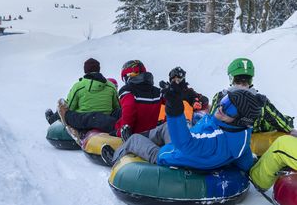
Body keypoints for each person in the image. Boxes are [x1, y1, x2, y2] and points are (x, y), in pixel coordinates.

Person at [101, 88, 266, 171]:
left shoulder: (215, 139)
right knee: (165, 128)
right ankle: (146, 139)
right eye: (225, 100)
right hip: (192, 150)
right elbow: (243, 158)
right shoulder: (242, 133)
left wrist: (174, 109)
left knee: (135, 139)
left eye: (230, 108)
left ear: (241, 119)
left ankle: (115, 157)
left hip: (172, 156)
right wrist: (248, 165)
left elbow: (185, 143)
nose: (222, 107)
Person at [58, 60, 163, 140]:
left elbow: (128, 113)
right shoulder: (158, 92)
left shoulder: (79, 86)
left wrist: (119, 131)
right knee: (110, 114)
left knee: (87, 116)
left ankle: (65, 116)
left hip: (126, 131)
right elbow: (118, 107)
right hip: (147, 131)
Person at [209, 58, 294, 133]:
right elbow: (286, 126)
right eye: (239, 80)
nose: (242, 84)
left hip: (225, 141)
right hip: (252, 142)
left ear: (231, 79)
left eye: (245, 80)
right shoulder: (260, 101)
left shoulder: (220, 97)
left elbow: (210, 122)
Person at [45, 58, 119, 125]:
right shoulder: (111, 86)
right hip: (106, 120)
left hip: (84, 121)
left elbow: (70, 107)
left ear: (85, 70)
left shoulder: (79, 86)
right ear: (98, 69)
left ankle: (51, 120)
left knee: (64, 110)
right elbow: (117, 107)